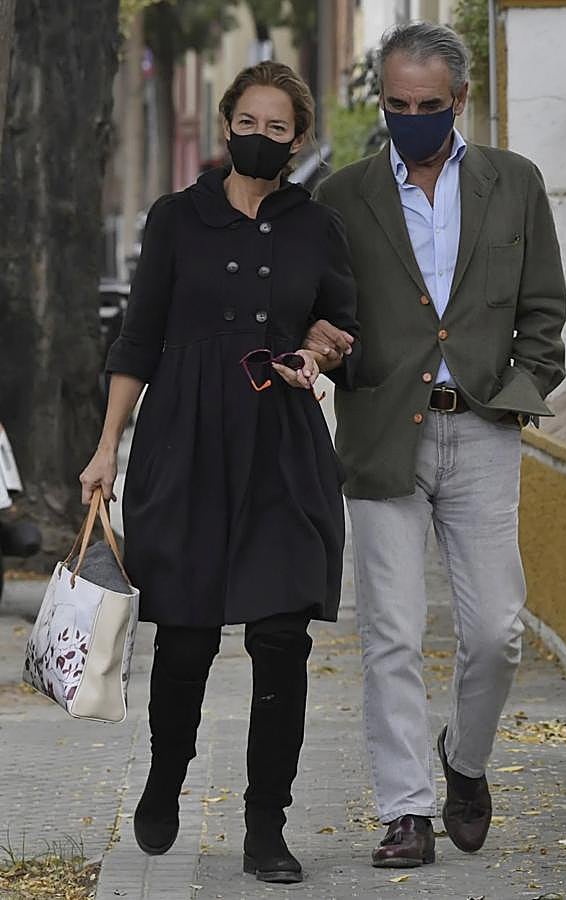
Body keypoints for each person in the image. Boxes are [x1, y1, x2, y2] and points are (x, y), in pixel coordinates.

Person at [80, 61, 359, 885]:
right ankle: (166, 775)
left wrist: (317, 352)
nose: (261, 138)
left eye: (278, 128)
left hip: (281, 448)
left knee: (281, 640)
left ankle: (266, 825)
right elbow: (138, 339)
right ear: (226, 124)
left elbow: (343, 331)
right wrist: (106, 447)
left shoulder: (318, 226)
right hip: (185, 442)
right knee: (187, 635)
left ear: (298, 140)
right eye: (248, 123)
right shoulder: (177, 218)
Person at [307, 23, 566, 868]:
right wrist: (334, 357)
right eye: (396, 104)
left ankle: (466, 761)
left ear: (460, 99)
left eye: (428, 105)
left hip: (483, 428)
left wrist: (519, 392)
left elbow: (544, 308)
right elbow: (326, 311)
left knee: (495, 633)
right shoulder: (343, 196)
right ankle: (406, 810)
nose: (410, 119)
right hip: (384, 434)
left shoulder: (513, 182)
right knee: (390, 632)